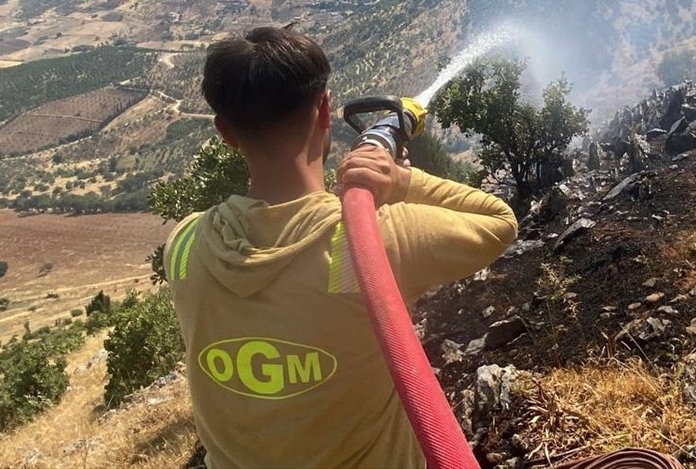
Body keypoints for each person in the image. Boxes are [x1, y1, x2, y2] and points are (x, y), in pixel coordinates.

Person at [163, 27, 517, 469]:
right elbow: (499, 222)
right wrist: (402, 182)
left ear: (225, 132)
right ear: (325, 109)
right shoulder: (375, 239)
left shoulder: (184, 245)